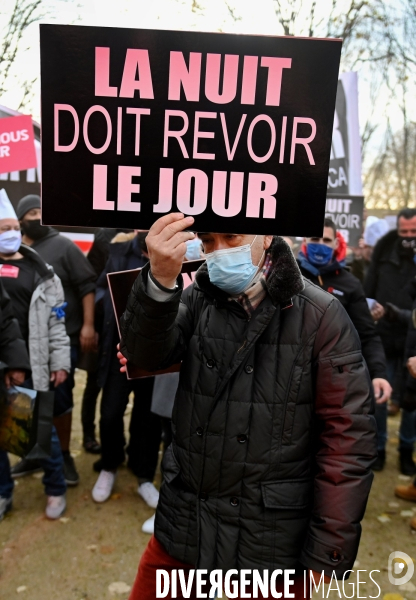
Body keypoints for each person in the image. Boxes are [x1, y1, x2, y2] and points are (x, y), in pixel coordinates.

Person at [119, 213, 377, 600]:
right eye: (208, 242)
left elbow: (347, 441)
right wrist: (159, 281)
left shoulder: (321, 316)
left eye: (233, 236)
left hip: (271, 536)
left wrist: (328, 551)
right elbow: (146, 354)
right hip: (190, 518)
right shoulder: (195, 297)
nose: (220, 251)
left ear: (267, 235)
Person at [12, 195, 96, 485]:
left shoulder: (63, 245)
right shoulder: (14, 250)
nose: (37, 218)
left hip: (63, 338)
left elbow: (86, 285)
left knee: (59, 401)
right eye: (31, 213)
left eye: (41, 212)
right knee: (25, 401)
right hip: (21, 344)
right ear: (20, 220)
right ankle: (34, 453)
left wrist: (87, 325)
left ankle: (63, 456)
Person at [297, 218, 391, 470]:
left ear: (336, 243)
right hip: (291, 379)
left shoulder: (349, 284)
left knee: (330, 450)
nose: (320, 245)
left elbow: (368, 334)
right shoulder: (287, 275)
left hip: (335, 382)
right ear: (304, 241)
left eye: (326, 240)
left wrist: (379, 374)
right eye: (315, 239)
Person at [0, 192, 70, 519]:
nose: (11, 232)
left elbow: (57, 323)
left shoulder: (43, 273)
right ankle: (3, 492)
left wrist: (59, 363)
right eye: (3, 228)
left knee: (41, 434)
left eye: (14, 226)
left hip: (27, 367)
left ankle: (55, 488)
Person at [92, 231, 161, 506]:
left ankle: (144, 475)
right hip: (118, 352)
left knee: (149, 418)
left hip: (156, 355)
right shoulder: (117, 253)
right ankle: (109, 465)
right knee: (109, 414)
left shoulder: (177, 254)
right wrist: (110, 303)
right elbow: (99, 288)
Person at [364, 207, 416, 475]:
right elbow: (369, 289)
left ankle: (407, 450)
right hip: (383, 335)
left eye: (413, 232)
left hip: (413, 340)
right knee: (379, 396)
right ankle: (379, 449)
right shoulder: (384, 250)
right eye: (404, 232)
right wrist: (369, 308)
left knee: (412, 402)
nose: (408, 237)